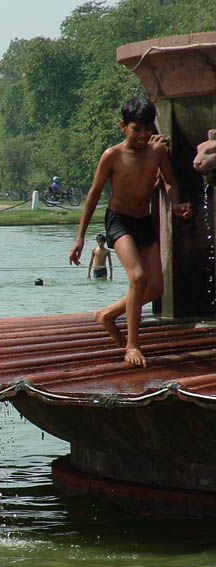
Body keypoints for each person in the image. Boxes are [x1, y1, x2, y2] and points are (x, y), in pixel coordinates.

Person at [70, 97, 192, 367]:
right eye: (136, 129)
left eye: (148, 129)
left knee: (155, 287)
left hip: (143, 220)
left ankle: (107, 314)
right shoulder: (112, 155)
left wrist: (176, 203)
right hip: (119, 221)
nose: (143, 135)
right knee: (138, 277)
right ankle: (132, 345)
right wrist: (79, 237)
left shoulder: (157, 152)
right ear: (123, 127)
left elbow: (170, 181)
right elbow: (93, 194)